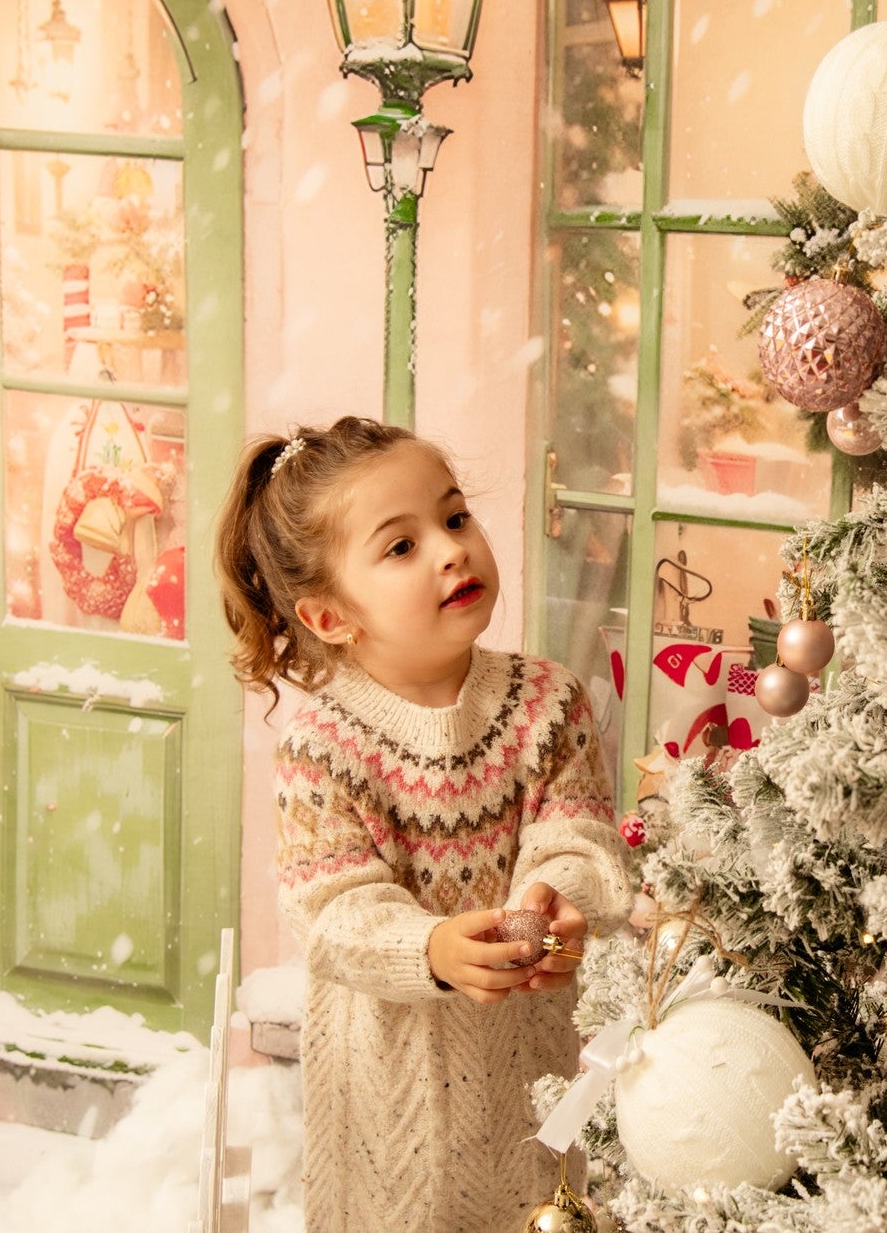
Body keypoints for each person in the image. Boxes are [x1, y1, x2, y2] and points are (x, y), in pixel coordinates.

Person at [215, 415, 630, 1232]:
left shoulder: (549, 703)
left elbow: (577, 833)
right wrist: (430, 948)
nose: (450, 550)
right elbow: (334, 910)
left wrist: (559, 897)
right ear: (330, 617)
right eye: (401, 546)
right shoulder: (322, 745)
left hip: (530, 1088)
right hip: (386, 1117)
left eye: (455, 516)